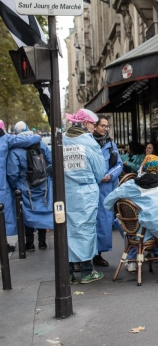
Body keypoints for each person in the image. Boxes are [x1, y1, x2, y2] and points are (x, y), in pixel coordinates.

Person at [104, 155, 158, 276]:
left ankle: (132, 259)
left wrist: (119, 211)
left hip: (143, 230)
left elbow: (108, 201)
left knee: (121, 221)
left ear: (142, 168)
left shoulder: (131, 185)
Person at [63, 109, 106, 284]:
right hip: (85, 192)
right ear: (86, 124)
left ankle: (68, 272)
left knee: (67, 230)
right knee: (87, 229)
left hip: (66, 191)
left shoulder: (62, 140)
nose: (93, 128)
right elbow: (99, 170)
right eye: (93, 124)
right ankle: (87, 271)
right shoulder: (89, 142)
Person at [6, 121, 53, 251]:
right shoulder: (41, 144)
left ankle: (30, 243)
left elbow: (12, 173)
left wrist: (15, 186)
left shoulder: (15, 150)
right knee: (42, 211)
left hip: (25, 186)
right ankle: (42, 242)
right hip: (43, 185)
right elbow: (51, 161)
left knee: (27, 213)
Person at [1, 120, 41, 252]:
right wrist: (37, 136)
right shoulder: (6, 139)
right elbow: (28, 140)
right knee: (2, 213)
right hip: (2, 185)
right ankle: (3, 244)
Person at [92, 115, 123, 267]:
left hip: (105, 188)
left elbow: (119, 164)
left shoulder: (110, 143)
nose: (105, 128)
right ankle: (85, 257)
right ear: (95, 126)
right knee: (89, 222)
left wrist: (110, 175)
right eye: (102, 125)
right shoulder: (88, 142)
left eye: (106, 126)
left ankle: (98, 254)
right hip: (91, 187)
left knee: (103, 221)